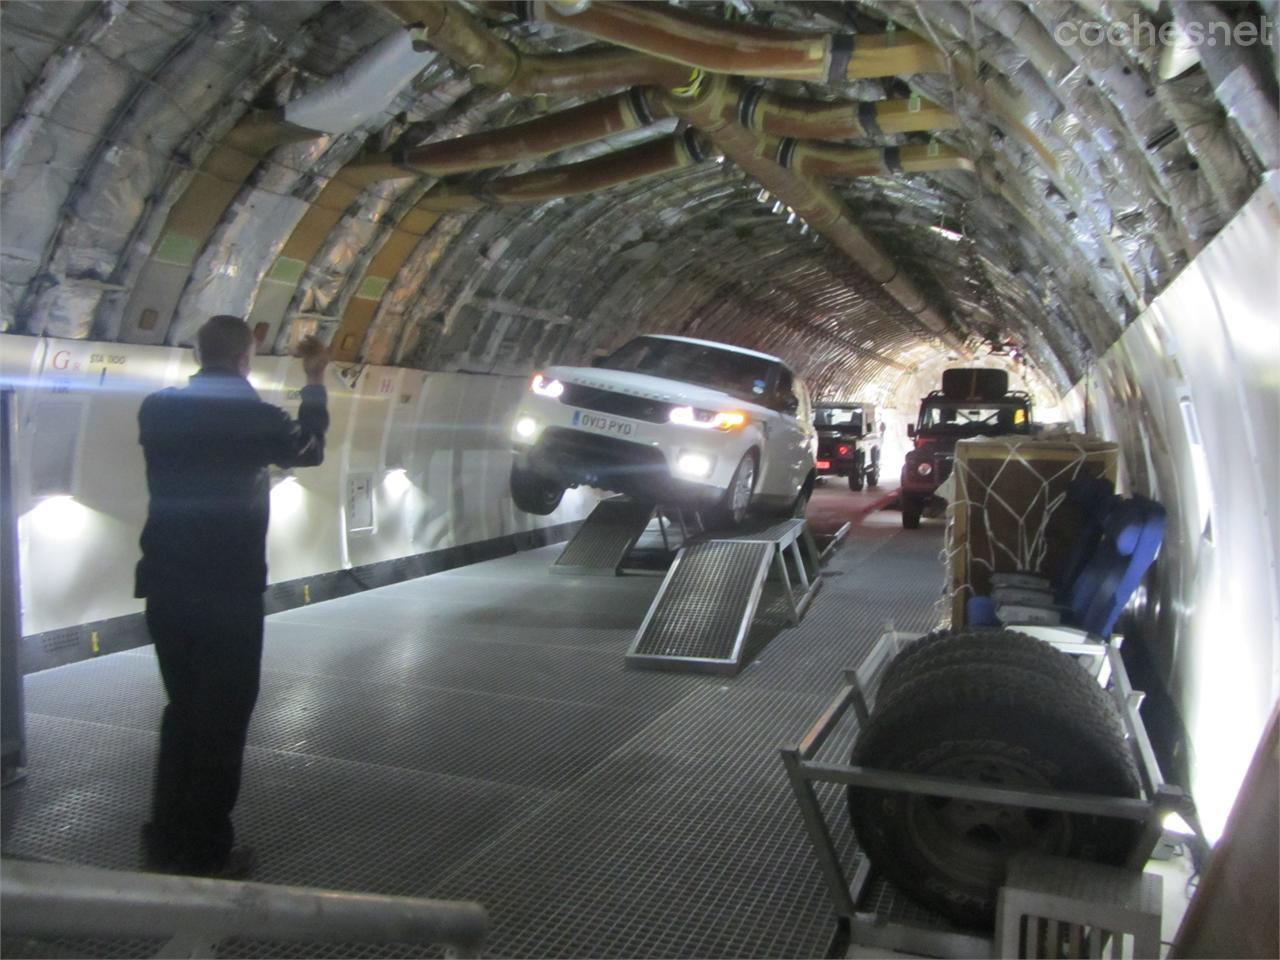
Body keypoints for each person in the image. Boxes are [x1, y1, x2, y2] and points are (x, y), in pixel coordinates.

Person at [135, 315, 330, 878]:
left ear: (198, 353)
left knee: (183, 711)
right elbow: (310, 448)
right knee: (222, 721)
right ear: (247, 359)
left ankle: (164, 838)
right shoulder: (255, 418)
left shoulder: (157, 408)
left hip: (166, 584)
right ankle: (206, 852)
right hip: (227, 590)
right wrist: (314, 381)